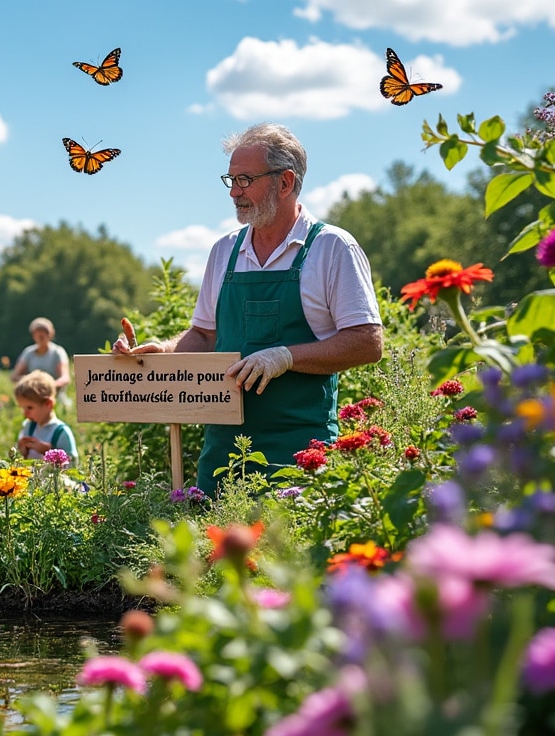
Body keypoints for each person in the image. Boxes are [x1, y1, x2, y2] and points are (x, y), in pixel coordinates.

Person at [113, 123, 383, 493]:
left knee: (291, 550)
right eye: (231, 179)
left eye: (244, 179)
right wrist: (163, 351)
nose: (234, 192)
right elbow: (205, 335)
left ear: (285, 182)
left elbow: (367, 342)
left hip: (301, 452)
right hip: (224, 453)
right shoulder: (225, 250)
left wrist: (286, 356)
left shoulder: (332, 248)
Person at [14, 370, 78, 462]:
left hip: (54, 476)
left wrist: (49, 451)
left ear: (49, 404)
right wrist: (21, 451)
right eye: (22, 408)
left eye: (29, 408)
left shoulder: (61, 432)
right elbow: (20, 459)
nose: (25, 413)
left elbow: (73, 464)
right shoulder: (28, 427)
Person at [10, 317, 70, 400]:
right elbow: (14, 376)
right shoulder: (28, 353)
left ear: (51, 334)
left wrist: (49, 386)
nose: (40, 335)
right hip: (33, 398)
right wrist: (33, 382)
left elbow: (65, 378)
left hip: (55, 397)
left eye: (44, 332)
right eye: (37, 332)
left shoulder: (58, 352)